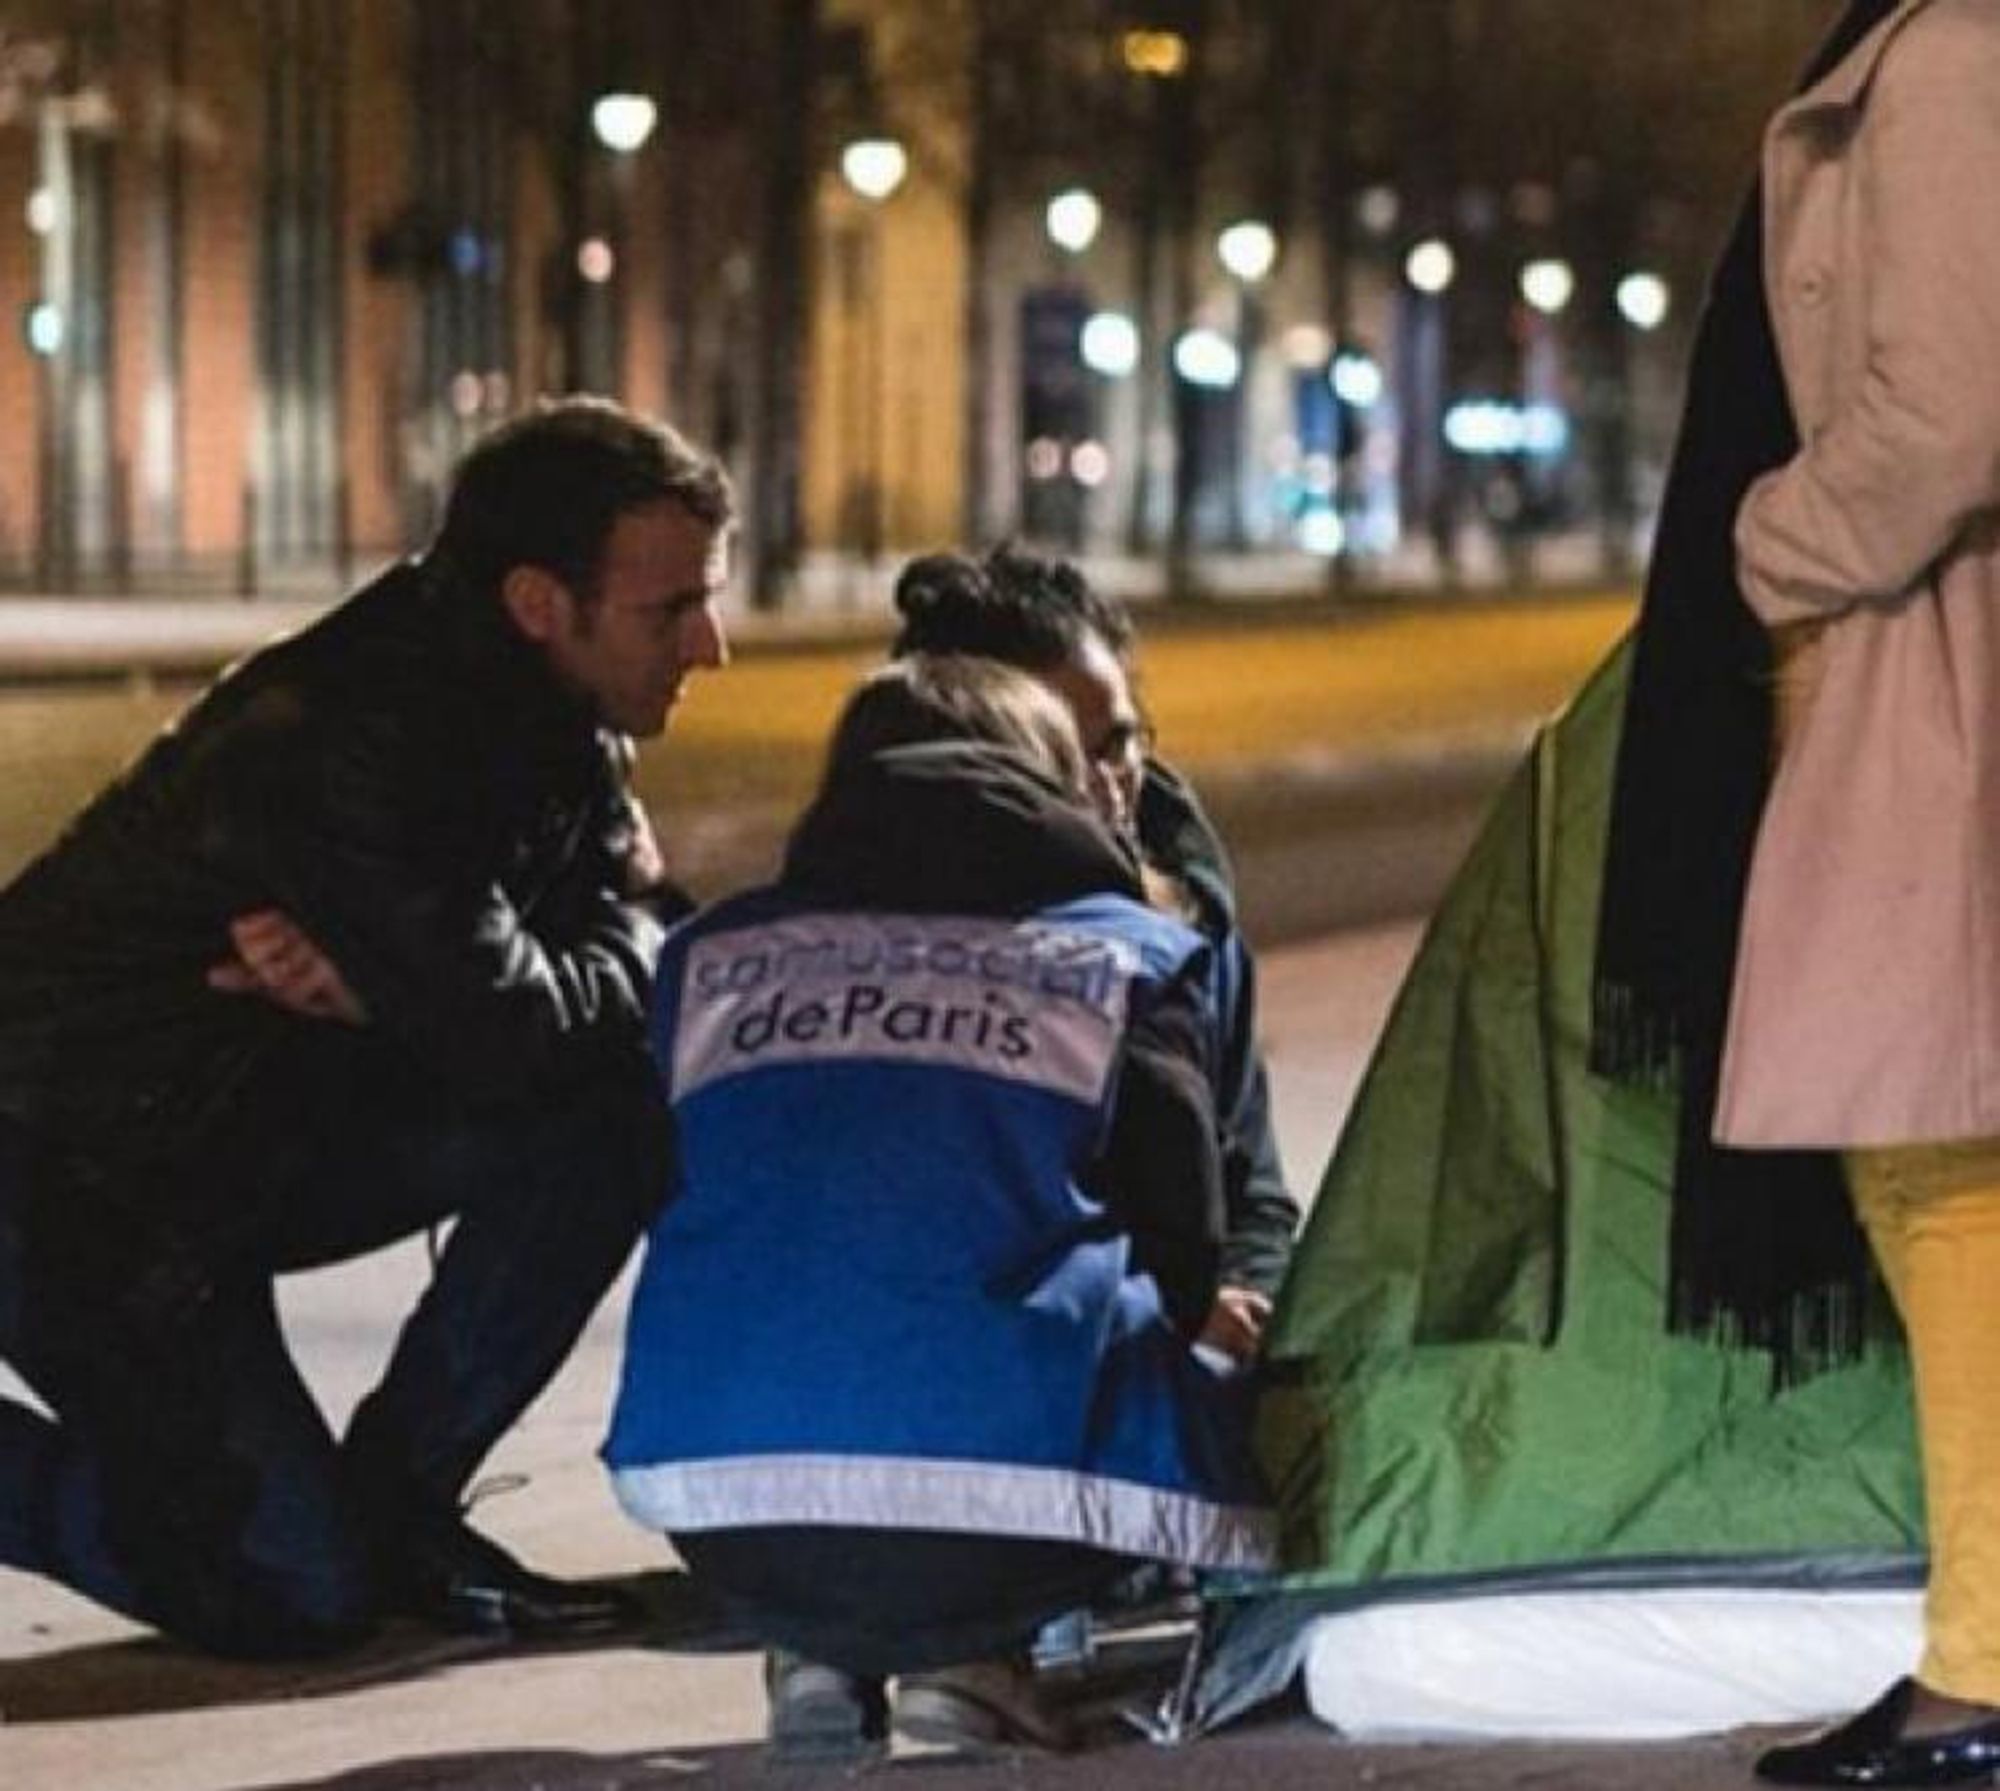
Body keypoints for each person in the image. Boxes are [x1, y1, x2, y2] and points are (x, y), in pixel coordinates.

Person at [0, 397, 733, 1659]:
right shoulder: (355, 739)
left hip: (234, 1137)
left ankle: (397, 1506)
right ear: (535, 602)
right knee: (297, 1593)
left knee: (615, 1105)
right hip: (76, 1185)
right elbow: (527, 1021)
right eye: (670, 610)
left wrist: (413, 992)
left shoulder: (552, 713)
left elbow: (625, 956)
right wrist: (553, 961)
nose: (710, 644)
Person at [603, 654, 1272, 1759]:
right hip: (1006, 1519)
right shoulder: (1133, 958)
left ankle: (812, 1654)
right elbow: (1187, 1254)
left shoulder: (709, 957)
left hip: (715, 1498)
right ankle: (976, 1663)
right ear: (1050, 785)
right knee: (1225, 1359)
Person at [1593, 1, 2000, 1782]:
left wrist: (1759, 551)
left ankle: (1990, 1673)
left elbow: (1949, 411)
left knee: (1943, 1161)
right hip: (1929, 653)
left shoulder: (1957, 50)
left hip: (1936, 657)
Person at [887, 547, 1298, 1364]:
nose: (1109, 786)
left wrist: (1242, 1316)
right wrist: (1164, 1319)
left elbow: (1250, 1190)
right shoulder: (889, 934)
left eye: (1120, 741)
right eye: (1063, 760)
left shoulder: (1186, 919)